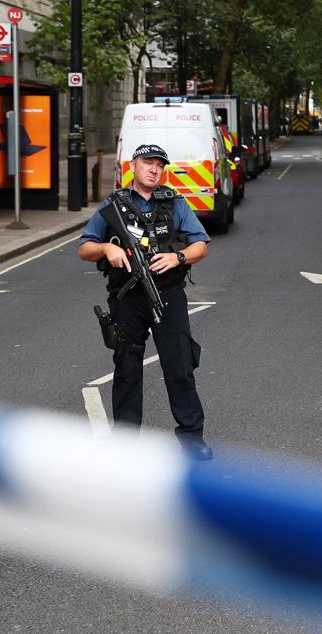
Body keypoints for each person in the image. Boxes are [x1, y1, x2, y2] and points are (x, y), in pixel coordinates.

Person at [78, 145, 213, 460]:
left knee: (180, 365)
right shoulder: (114, 204)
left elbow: (201, 245)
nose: (154, 169)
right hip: (127, 297)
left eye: (159, 165)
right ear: (133, 166)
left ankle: (192, 440)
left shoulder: (173, 202)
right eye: (147, 163)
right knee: (127, 368)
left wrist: (177, 256)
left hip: (167, 293)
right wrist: (106, 250)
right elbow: (85, 247)